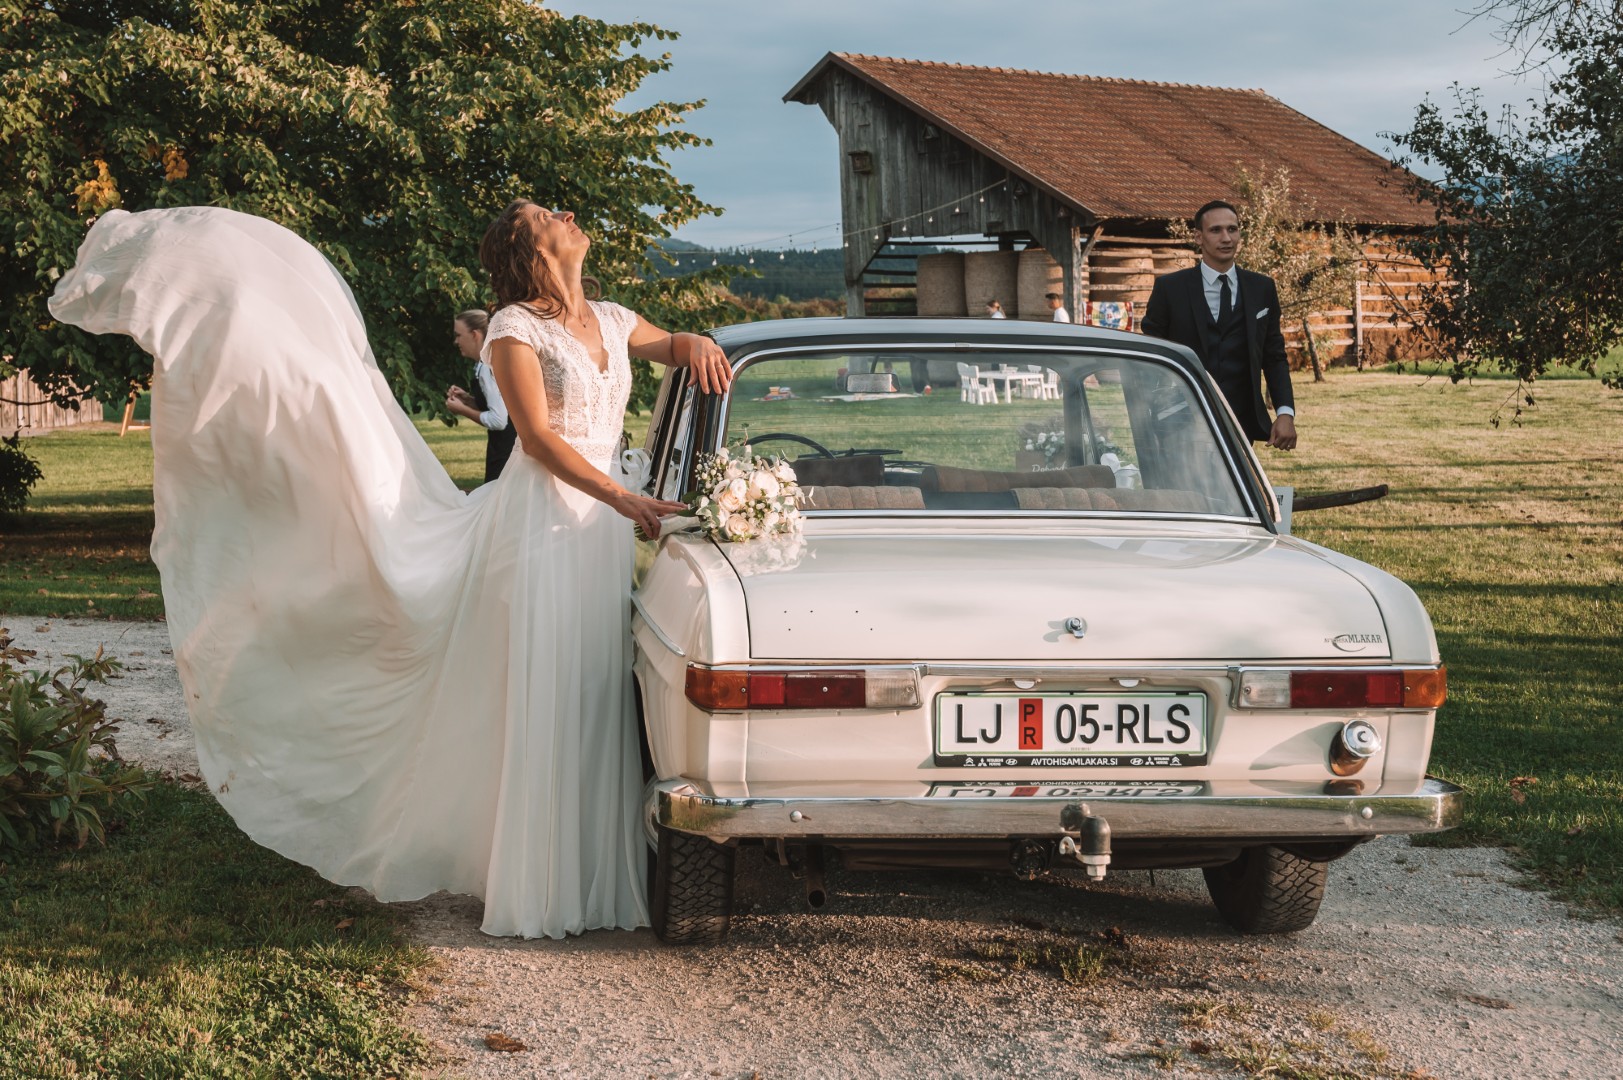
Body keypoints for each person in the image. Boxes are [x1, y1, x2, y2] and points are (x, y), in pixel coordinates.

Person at [45, 201, 730, 939]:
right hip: (542, 523)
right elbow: (533, 438)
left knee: (590, 683)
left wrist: (694, 342)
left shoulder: (616, 318)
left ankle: (592, 871)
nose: (566, 213)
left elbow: (673, 345)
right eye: (545, 214)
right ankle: (540, 879)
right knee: (547, 680)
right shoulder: (511, 330)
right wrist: (621, 495)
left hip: (598, 531)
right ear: (529, 248)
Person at [1140, 200, 1297, 449]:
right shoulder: (1170, 289)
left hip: (1241, 421)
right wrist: (1150, 413)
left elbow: (1274, 356)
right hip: (1180, 420)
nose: (1226, 238)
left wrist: (1285, 413)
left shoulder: (1262, 288)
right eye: (1216, 230)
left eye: (1232, 229)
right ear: (1198, 237)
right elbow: (1150, 358)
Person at [444, 309, 517, 484]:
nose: (456, 341)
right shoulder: (487, 362)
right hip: (505, 449)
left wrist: (462, 410)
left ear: (475, 334)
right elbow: (500, 404)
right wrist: (469, 400)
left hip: (505, 453)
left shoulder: (487, 367)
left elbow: (499, 421)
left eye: (459, 335)